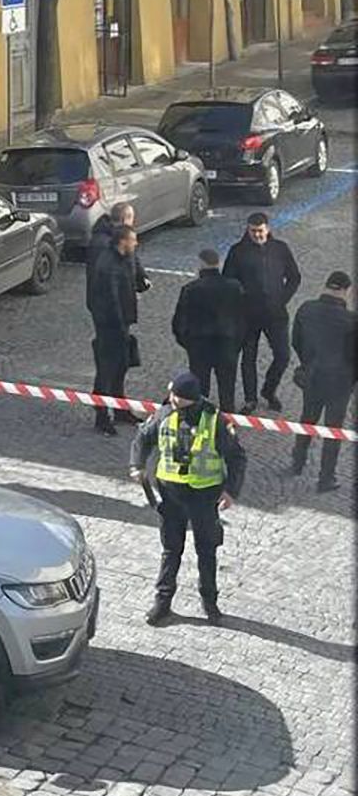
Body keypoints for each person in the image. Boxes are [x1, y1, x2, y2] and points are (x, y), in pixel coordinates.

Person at [130, 371, 247, 627]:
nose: (171, 398)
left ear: (190, 398)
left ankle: (210, 603)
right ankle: (162, 603)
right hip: (171, 494)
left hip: (204, 496)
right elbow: (143, 438)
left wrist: (230, 491)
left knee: (206, 550)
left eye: (177, 396)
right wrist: (136, 465)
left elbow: (237, 457)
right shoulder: (164, 413)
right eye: (171, 393)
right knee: (171, 549)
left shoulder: (215, 420)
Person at [223, 213, 301, 414]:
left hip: (276, 314)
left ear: (268, 229)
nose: (257, 235)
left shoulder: (280, 249)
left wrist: (282, 299)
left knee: (283, 356)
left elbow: (294, 277)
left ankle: (269, 390)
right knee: (248, 359)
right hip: (248, 316)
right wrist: (240, 302)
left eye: (260, 231)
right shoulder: (237, 252)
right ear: (247, 229)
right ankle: (250, 400)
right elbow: (228, 281)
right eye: (253, 231)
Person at [291, 271, 357, 493]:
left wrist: (308, 363)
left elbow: (296, 341)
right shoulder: (351, 321)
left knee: (307, 418)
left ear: (326, 286)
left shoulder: (306, 309)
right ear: (346, 291)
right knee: (333, 429)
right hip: (340, 382)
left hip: (313, 375)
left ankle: (297, 461)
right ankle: (326, 477)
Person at [171, 249, 245, 413]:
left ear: (200, 264)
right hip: (227, 344)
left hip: (199, 346)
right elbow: (243, 318)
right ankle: (227, 419)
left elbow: (179, 322)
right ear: (218, 263)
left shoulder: (191, 289)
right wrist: (237, 343)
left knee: (200, 388)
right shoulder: (234, 287)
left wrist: (188, 344)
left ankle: (198, 418)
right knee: (227, 389)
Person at [88, 225, 141, 435]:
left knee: (120, 368)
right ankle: (102, 417)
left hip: (121, 324)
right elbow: (111, 301)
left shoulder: (124, 258)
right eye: (133, 240)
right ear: (123, 242)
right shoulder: (108, 265)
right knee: (107, 371)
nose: (136, 243)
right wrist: (119, 327)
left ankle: (120, 410)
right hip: (110, 327)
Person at [86, 202, 150, 310]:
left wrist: (142, 279)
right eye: (132, 219)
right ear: (125, 219)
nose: (133, 222)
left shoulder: (117, 237)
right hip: (108, 304)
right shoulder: (110, 244)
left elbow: (133, 259)